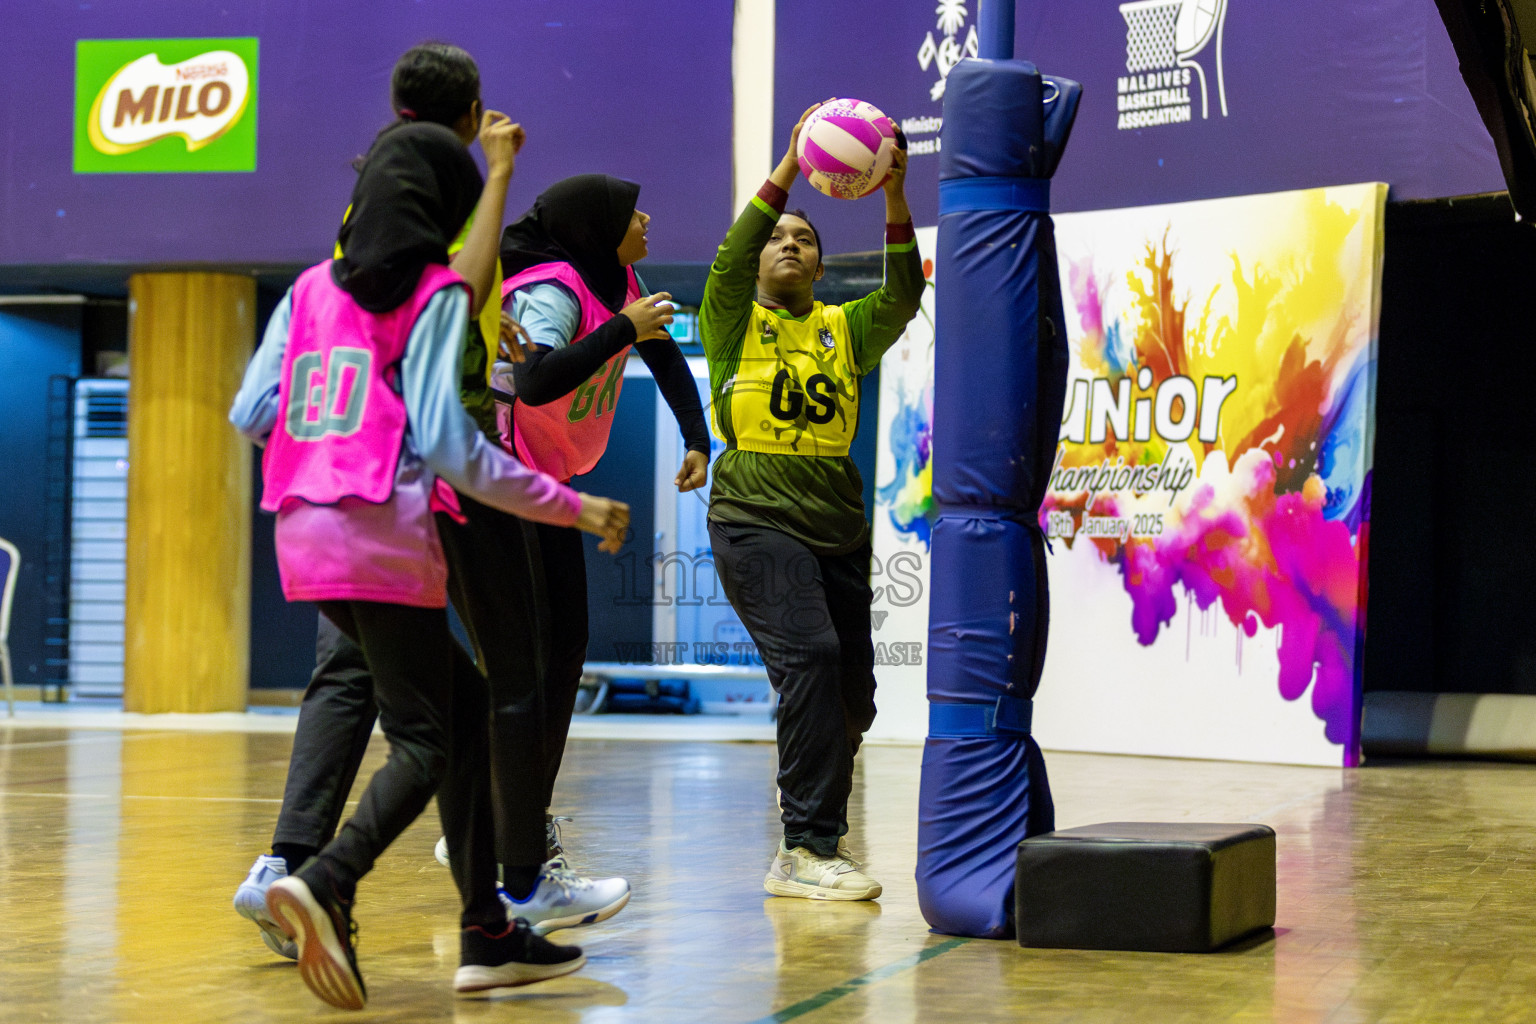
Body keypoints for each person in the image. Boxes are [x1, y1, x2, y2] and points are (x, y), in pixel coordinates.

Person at [231, 45, 637, 963]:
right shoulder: (433, 263)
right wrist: (496, 173)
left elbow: (254, 409)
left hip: (309, 516)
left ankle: (312, 874)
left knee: (373, 683)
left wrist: (322, 438)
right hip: (422, 478)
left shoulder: (321, 268)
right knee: (495, 689)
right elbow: (466, 293)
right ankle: (489, 879)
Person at [429, 174, 709, 883]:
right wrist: (623, 328)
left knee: (560, 652)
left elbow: (662, 352)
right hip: (504, 475)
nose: (646, 216)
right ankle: (503, 823)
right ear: (596, 226)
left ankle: (510, 814)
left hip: (545, 482)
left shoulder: (614, 276)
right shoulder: (553, 289)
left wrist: (696, 435)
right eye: (630, 210)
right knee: (533, 659)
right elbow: (537, 381)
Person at [700, 103, 922, 900]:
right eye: (777, 239)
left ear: (821, 269)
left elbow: (901, 295)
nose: (788, 245)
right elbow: (727, 260)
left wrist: (895, 195)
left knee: (852, 696)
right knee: (812, 660)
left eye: (805, 240)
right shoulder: (729, 321)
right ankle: (804, 849)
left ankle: (820, 843)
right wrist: (790, 164)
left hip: (836, 522)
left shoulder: (843, 327)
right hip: (753, 517)